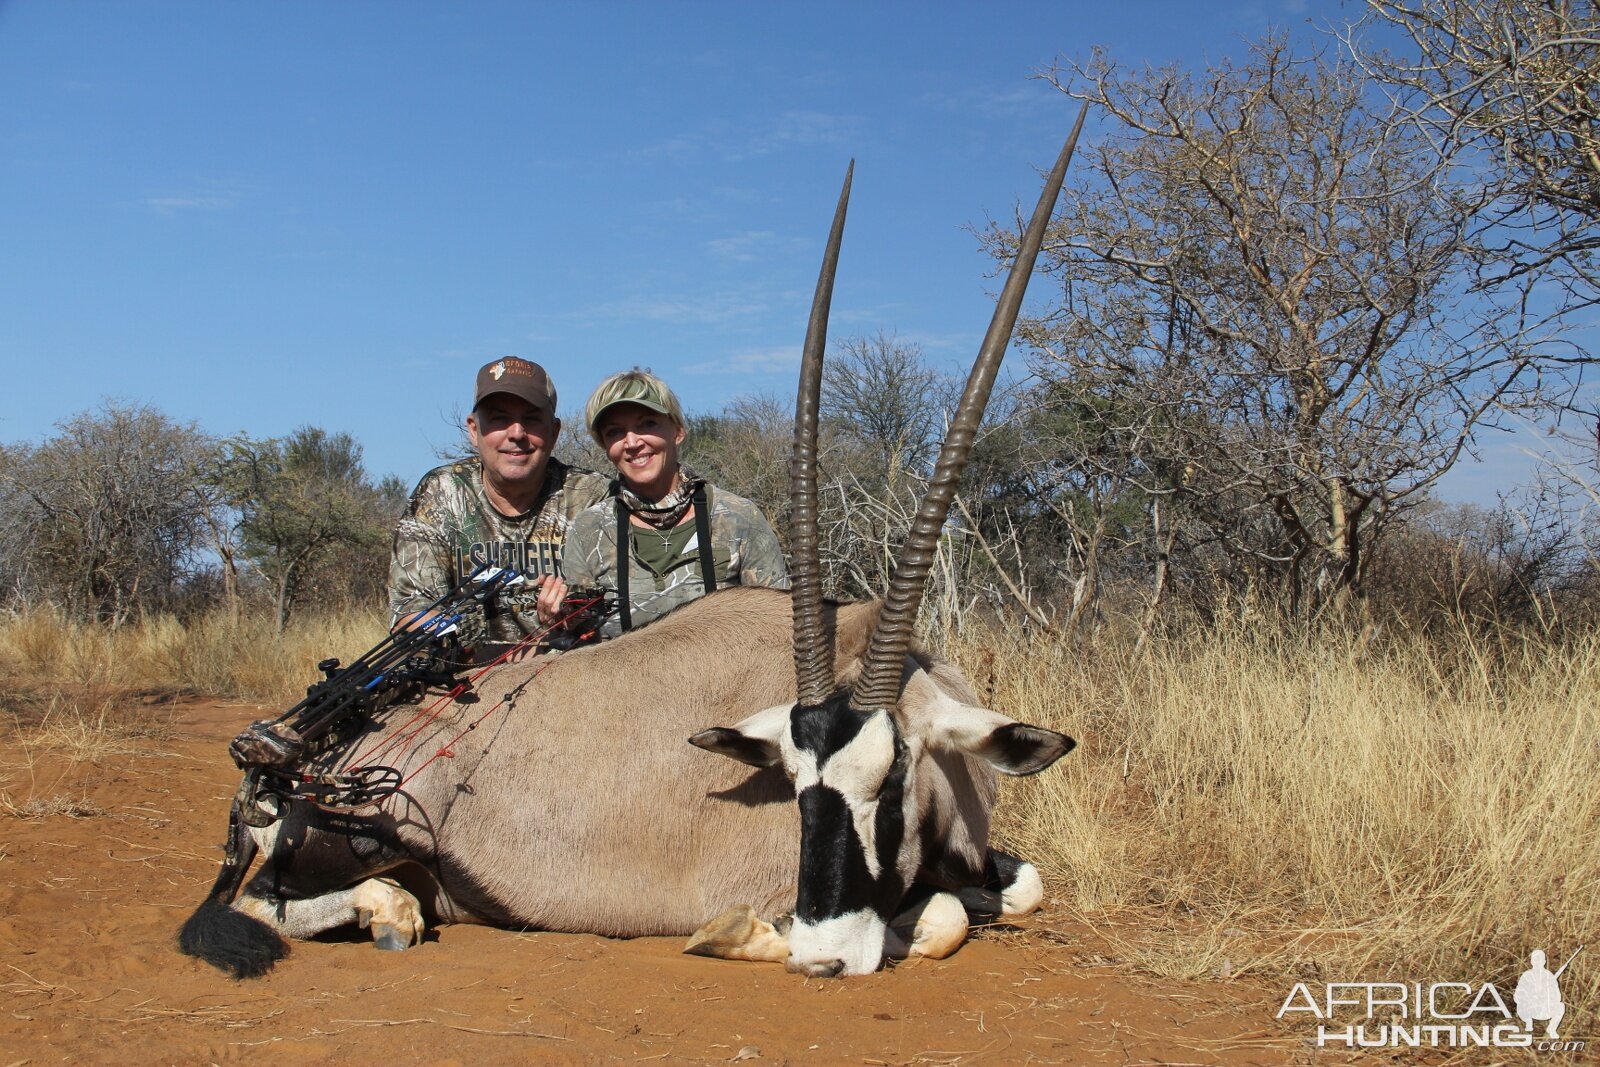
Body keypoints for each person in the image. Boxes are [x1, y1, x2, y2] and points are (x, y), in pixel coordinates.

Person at [546, 369, 788, 638]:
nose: (632, 442)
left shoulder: (739, 517)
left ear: (678, 431)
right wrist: (563, 620)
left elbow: (779, 627)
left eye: (648, 424)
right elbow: (582, 636)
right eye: (615, 432)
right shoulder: (589, 529)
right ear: (605, 446)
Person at [389, 356, 611, 642]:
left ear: (554, 432)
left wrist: (573, 618)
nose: (516, 433)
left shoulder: (593, 497)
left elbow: (621, 606)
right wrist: (462, 647)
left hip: (573, 673)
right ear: (473, 429)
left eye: (531, 419)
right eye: (499, 419)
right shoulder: (441, 492)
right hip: (469, 675)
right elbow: (409, 609)